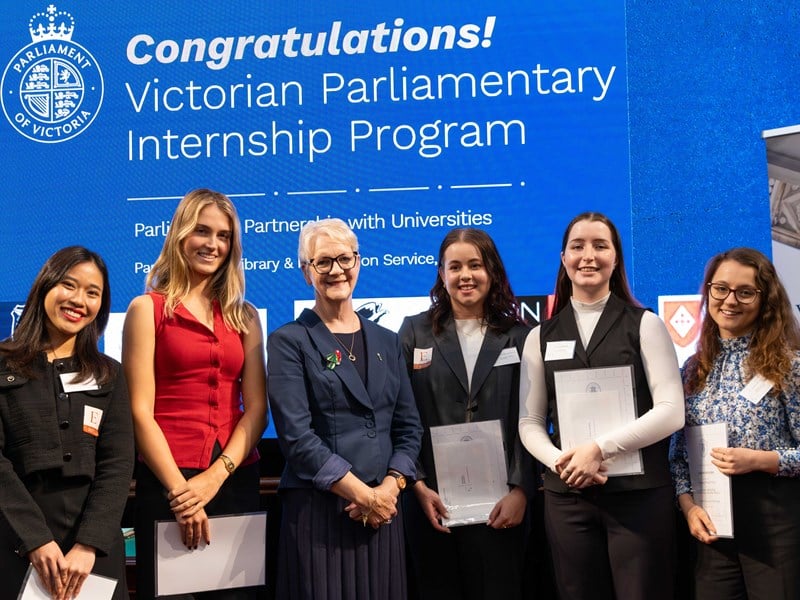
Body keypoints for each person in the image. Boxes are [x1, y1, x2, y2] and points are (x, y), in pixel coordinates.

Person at [518, 211, 685, 600]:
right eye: (577, 246)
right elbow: (529, 421)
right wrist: (564, 463)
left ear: (616, 257)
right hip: (568, 498)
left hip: (640, 497)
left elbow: (671, 410)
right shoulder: (539, 337)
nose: (588, 255)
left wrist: (598, 450)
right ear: (563, 259)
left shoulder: (646, 324)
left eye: (600, 245)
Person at [123, 188, 267, 599]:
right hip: (169, 483)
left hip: (234, 476)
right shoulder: (146, 309)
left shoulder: (245, 315)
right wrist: (183, 494)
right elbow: (139, 412)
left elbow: (257, 410)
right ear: (180, 235)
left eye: (224, 236)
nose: (213, 244)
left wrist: (215, 476)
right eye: (203, 231)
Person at [267, 218, 422, 600]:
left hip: (384, 516)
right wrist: (364, 496)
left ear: (358, 262)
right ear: (307, 273)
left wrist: (389, 488)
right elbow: (297, 438)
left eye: (345, 259)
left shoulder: (387, 339)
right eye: (323, 262)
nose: (336, 270)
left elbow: (408, 429)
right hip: (320, 516)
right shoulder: (289, 341)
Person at [398, 228, 535, 600]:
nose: (465, 275)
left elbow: (533, 417)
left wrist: (522, 489)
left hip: (502, 505)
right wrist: (416, 484)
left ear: (491, 271)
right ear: (442, 274)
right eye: (454, 266)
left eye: (475, 265)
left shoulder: (520, 336)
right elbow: (400, 415)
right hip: (432, 502)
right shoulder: (414, 332)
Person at [0, 246, 134, 600]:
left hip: (92, 550)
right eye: (69, 285)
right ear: (46, 286)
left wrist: (89, 545)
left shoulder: (109, 374)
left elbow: (117, 465)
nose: (79, 300)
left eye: (93, 293)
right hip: (15, 541)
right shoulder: (3, 363)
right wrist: (35, 540)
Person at [669, 247, 800, 599]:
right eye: (721, 288)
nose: (730, 300)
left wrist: (760, 460)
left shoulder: (789, 365)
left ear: (764, 300)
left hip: (775, 526)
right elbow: (679, 455)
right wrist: (689, 507)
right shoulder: (692, 369)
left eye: (745, 292)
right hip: (712, 526)